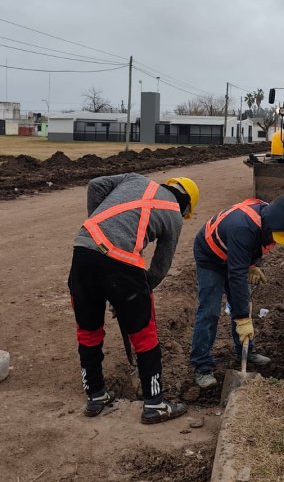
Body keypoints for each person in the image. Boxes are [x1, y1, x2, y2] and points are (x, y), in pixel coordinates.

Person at [68, 173, 200, 424]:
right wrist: (136, 294)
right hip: (122, 264)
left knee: (88, 330)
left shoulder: (134, 179)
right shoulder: (173, 214)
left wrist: (98, 228)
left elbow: (95, 185)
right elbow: (160, 267)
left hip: (83, 250)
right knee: (145, 335)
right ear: (186, 205)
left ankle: (96, 395)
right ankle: (155, 404)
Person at [189, 195, 284, 388]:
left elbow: (256, 245)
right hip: (211, 257)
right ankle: (202, 367)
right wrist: (242, 319)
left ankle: (247, 352)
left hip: (234, 252)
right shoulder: (243, 228)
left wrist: (253, 264)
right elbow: (237, 275)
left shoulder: (269, 216)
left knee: (243, 303)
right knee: (210, 311)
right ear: (270, 224)